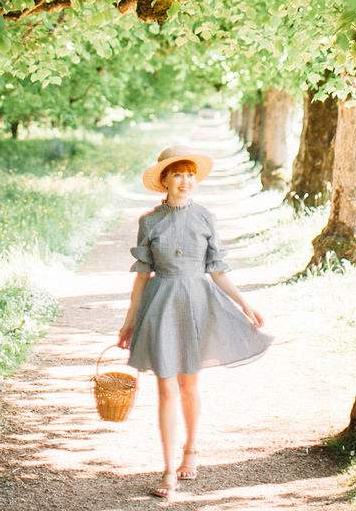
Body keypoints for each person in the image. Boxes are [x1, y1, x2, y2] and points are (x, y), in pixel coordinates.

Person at [118, 144, 272, 501]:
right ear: (165, 180)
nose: (185, 181)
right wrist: (129, 322)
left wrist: (246, 304)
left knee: (189, 385)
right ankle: (169, 468)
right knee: (165, 388)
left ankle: (191, 450)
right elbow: (141, 277)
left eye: (190, 175)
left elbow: (216, 270)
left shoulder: (205, 217)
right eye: (178, 175)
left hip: (198, 303)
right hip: (161, 304)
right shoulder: (150, 221)